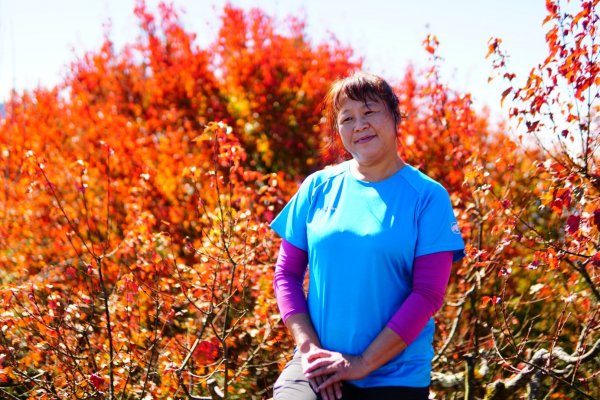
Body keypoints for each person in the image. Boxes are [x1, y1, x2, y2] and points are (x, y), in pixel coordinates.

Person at [270, 72, 465, 400]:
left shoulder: (428, 198)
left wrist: (360, 364)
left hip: (394, 375)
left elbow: (428, 294)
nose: (359, 124)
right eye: (347, 118)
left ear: (395, 116)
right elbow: (286, 275)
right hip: (318, 367)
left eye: (370, 112)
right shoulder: (317, 187)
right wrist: (310, 350)